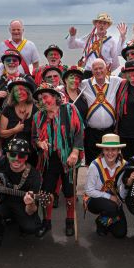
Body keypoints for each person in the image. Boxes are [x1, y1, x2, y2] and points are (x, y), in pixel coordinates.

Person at [32, 83, 84, 237]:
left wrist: (75, 152)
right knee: (46, 192)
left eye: (45, 97)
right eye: (40, 99)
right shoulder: (38, 116)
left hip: (68, 159)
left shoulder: (69, 110)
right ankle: (46, 223)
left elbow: (79, 132)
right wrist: (40, 143)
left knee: (69, 192)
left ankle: (69, 222)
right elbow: (34, 138)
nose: (42, 101)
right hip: (49, 161)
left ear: (55, 97)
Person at [0, 139, 42, 248]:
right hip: (2, 201)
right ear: (7, 155)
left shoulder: (34, 176)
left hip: (21, 204)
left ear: (26, 157)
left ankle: (17, 221)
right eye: (13, 154)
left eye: (21, 156)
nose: (16, 159)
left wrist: (30, 203)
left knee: (31, 228)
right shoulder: (1, 161)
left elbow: (31, 210)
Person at [79, 58, 124, 163]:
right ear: (92, 71)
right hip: (91, 133)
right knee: (91, 163)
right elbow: (68, 85)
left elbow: (132, 80)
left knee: (110, 162)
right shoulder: (84, 84)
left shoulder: (116, 81)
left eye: (101, 68)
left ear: (107, 68)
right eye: (95, 69)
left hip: (110, 131)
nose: (98, 71)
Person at [84, 134, 127, 238]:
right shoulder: (94, 165)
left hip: (115, 202)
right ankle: (102, 222)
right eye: (107, 150)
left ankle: (103, 221)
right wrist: (110, 197)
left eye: (114, 150)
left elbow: (124, 188)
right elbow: (89, 190)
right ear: (102, 150)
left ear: (118, 151)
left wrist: (120, 198)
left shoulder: (124, 165)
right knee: (111, 207)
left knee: (120, 233)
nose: (110, 153)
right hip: (94, 200)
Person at [0, 77, 38, 167]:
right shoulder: (8, 109)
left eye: (22, 90)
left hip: (30, 155)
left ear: (28, 92)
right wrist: (15, 130)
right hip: (12, 154)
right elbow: (1, 133)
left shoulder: (36, 109)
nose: (19, 93)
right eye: (16, 91)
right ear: (13, 94)